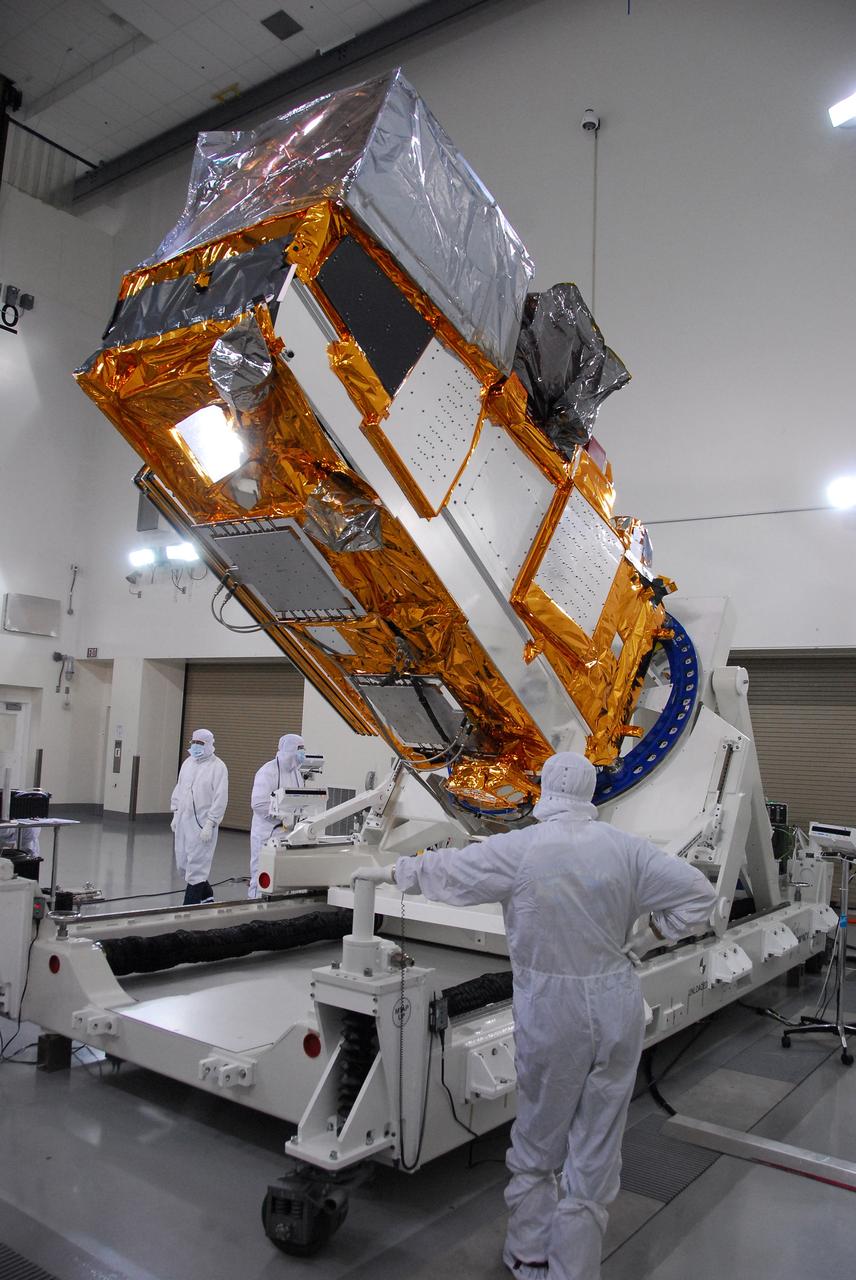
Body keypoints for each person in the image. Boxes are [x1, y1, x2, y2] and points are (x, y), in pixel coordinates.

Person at [353, 751, 717, 1280]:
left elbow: (449, 871)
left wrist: (388, 872)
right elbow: (699, 896)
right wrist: (648, 936)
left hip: (554, 1010)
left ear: (545, 788)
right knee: (597, 1144)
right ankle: (575, 1269)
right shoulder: (626, 849)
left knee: (540, 1139)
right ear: (591, 791)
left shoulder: (521, 849)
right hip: (617, 1002)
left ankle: (529, 1256)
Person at [170, 728, 229, 905]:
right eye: (193, 742)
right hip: (183, 821)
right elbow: (179, 788)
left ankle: (188, 908)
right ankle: (207, 895)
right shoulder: (188, 763)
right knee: (183, 864)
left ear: (210, 745)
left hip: (203, 823)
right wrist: (175, 812)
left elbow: (220, 797)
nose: (196, 746)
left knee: (197, 866)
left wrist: (211, 823)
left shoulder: (218, 767)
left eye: (200, 743)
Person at [248, 733, 306, 898]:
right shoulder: (268, 771)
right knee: (261, 874)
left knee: (282, 876)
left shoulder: (296, 773)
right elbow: (258, 804)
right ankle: (254, 906)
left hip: (288, 834)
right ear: (289, 749)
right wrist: (281, 816)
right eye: (299, 748)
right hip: (267, 834)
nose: (303, 752)